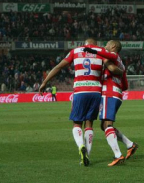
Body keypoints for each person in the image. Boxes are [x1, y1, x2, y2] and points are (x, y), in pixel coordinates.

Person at [39, 38, 121, 166]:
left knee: (77, 123)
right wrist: (122, 72)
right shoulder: (100, 52)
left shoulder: (75, 51)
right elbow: (112, 68)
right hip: (95, 92)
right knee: (89, 124)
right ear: (95, 45)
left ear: (85, 43)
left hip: (80, 91)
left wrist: (45, 82)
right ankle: (87, 154)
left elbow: (58, 67)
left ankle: (81, 146)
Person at [84, 40, 138, 167]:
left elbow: (103, 53)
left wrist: (90, 49)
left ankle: (118, 155)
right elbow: (125, 86)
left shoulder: (113, 56)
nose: (105, 46)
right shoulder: (122, 65)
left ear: (113, 47)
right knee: (104, 125)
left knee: (107, 124)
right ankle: (130, 144)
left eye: (107, 44)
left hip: (109, 93)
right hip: (117, 94)